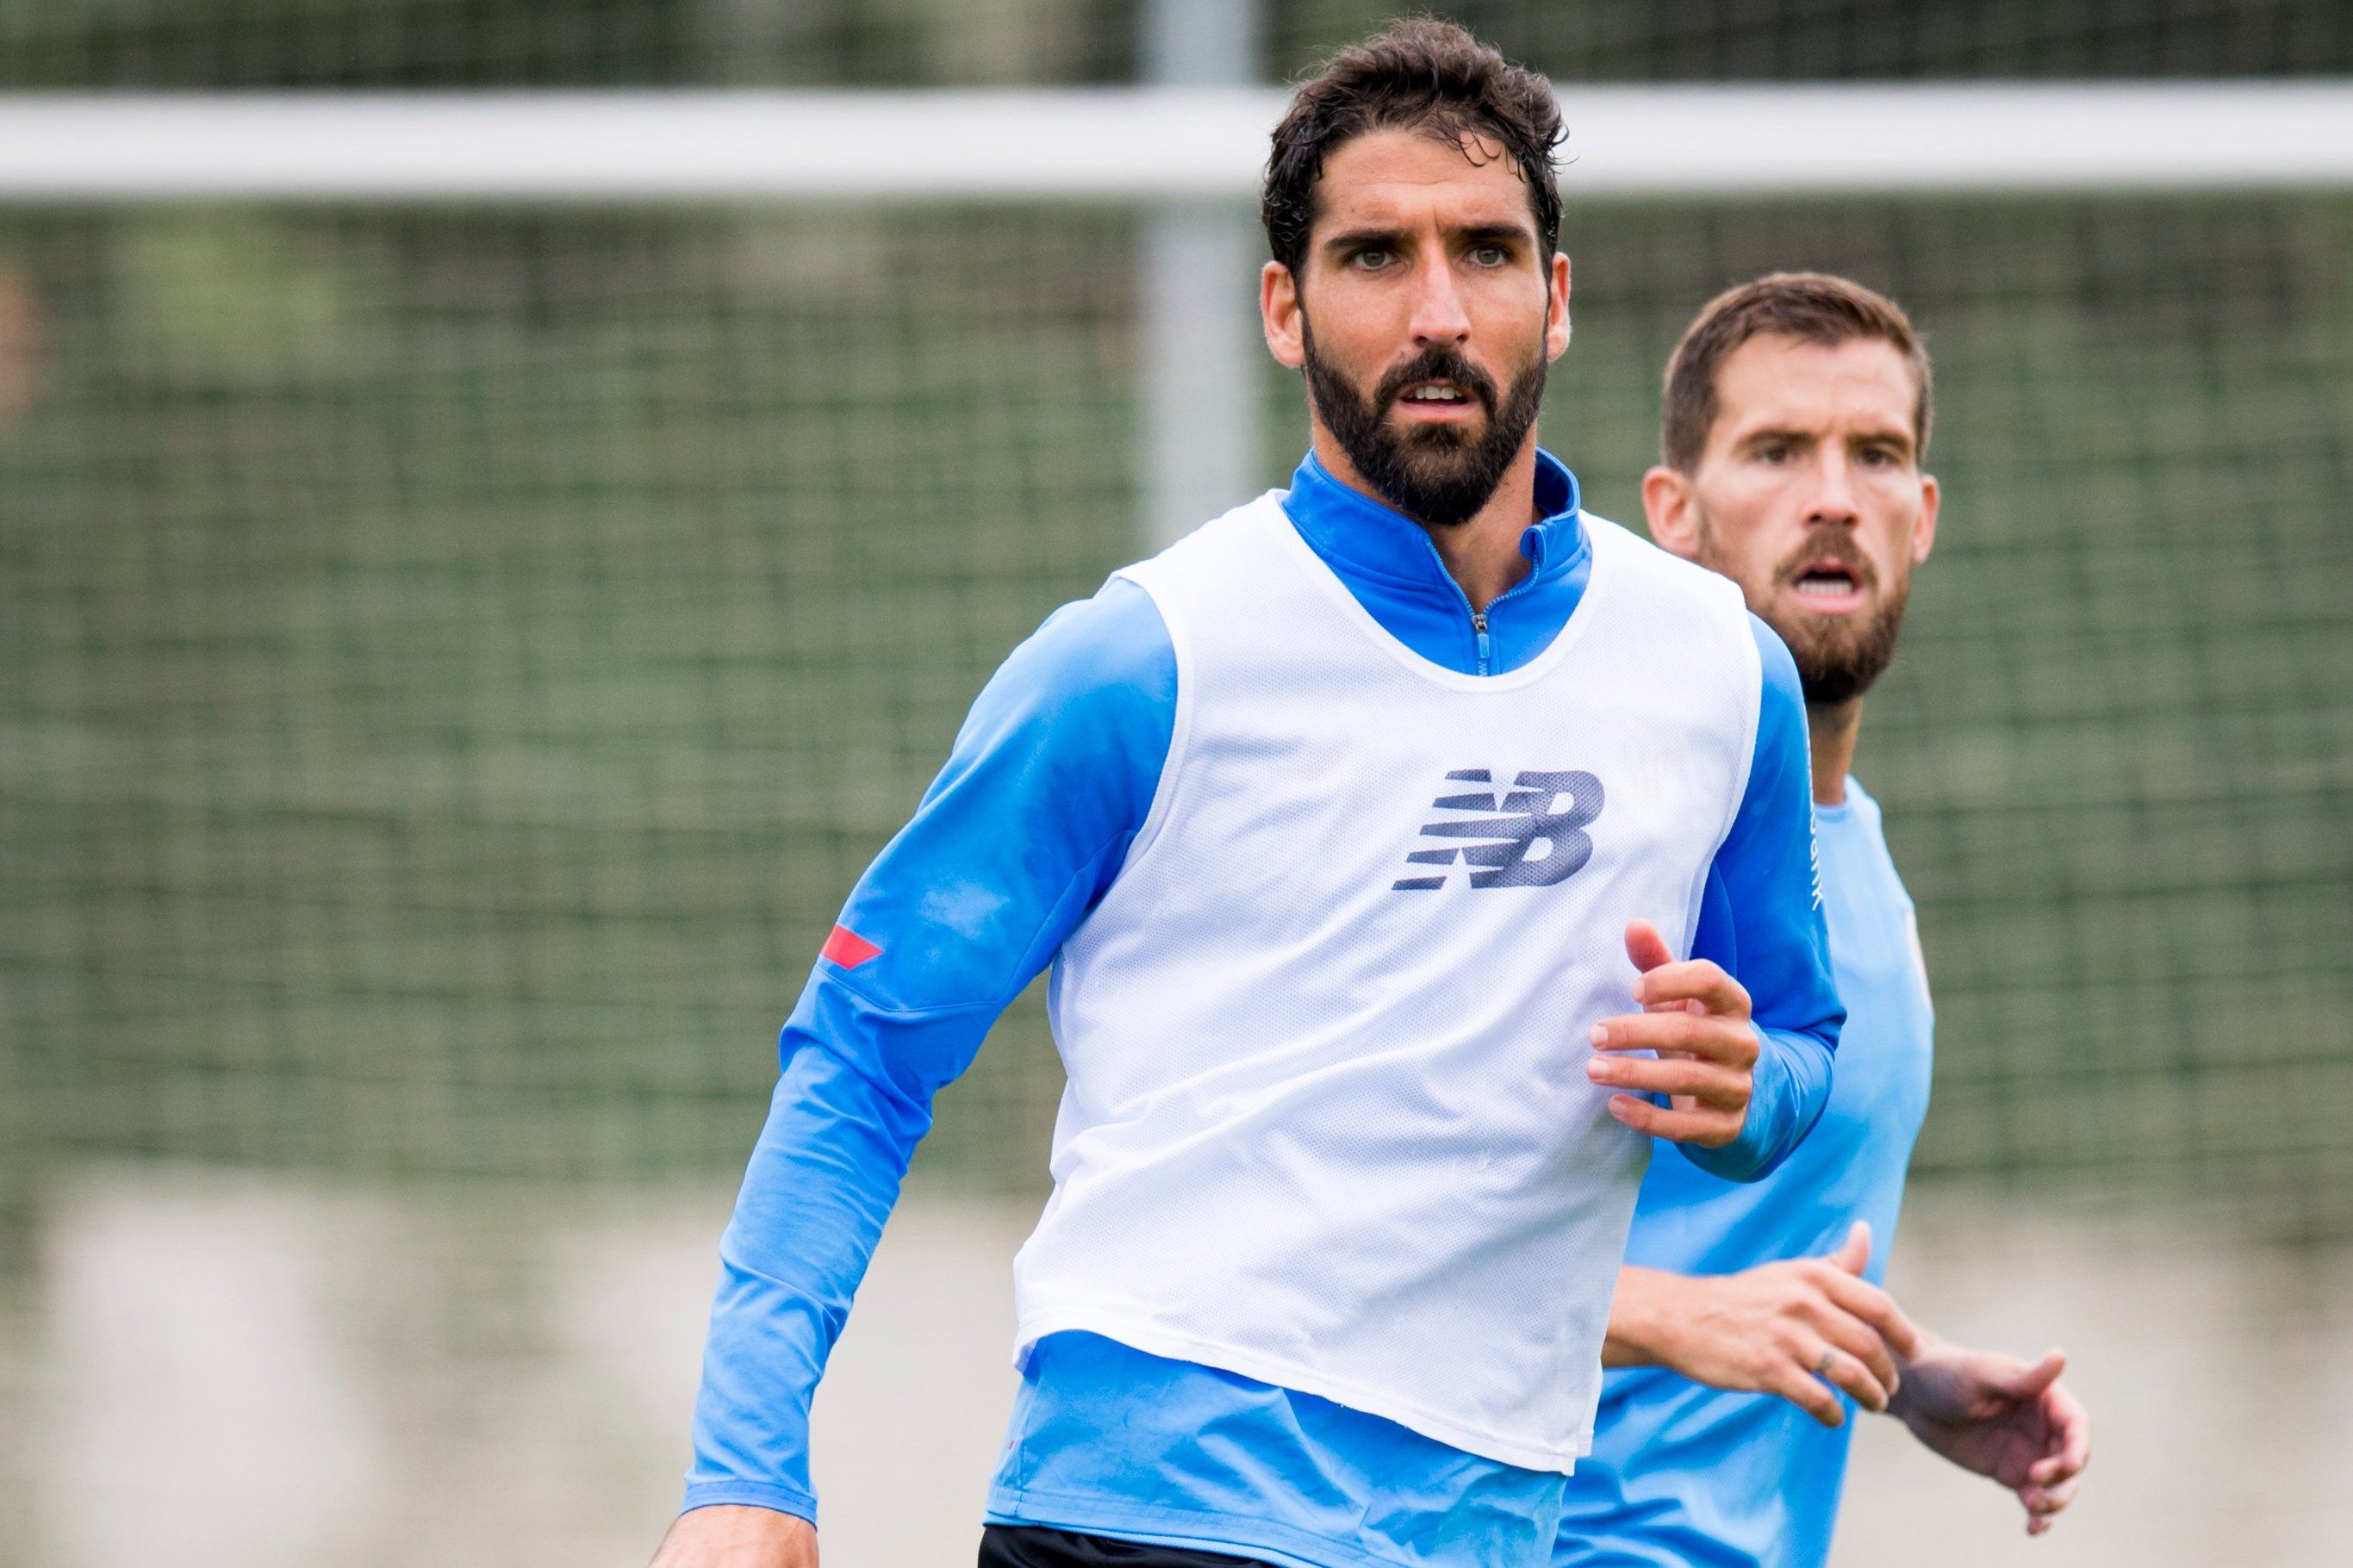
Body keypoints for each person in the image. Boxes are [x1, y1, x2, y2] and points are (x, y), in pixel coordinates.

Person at [653, 23, 1844, 1568]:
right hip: (1146, 1513)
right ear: (1285, 310)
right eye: (1373, 256)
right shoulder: (1141, 660)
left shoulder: (1713, 667)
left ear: (1556, 297)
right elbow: (860, 1058)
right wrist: (745, 1470)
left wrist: (1747, 1096)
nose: (1436, 311)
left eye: (1485, 250)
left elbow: (1802, 1051)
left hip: (1497, 1522)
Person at [1553, 274, 2092, 1568]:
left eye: (1878, 455)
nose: (1835, 494)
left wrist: (1903, 1372)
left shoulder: (1861, 857)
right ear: (1672, 519)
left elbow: (1735, 1262)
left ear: (1923, 518)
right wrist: (1684, 1319)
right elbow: (1384, 1245)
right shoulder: (1589, 852)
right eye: (1779, 451)